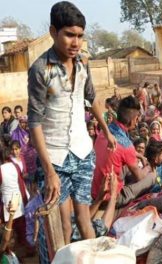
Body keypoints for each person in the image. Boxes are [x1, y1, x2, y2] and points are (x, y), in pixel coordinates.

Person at [27, 3, 116, 261]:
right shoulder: (41, 69)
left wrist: (106, 131)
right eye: (69, 34)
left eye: (80, 35)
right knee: (64, 226)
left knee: (85, 218)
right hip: (55, 156)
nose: (75, 42)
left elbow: (92, 98)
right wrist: (50, 171)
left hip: (82, 151)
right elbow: (34, 123)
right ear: (54, 32)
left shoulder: (83, 62)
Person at [92, 96, 155, 206]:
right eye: (136, 119)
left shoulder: (105, 131)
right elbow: (140, 176)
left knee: (128, 166)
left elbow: (121, 151)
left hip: (94, 190)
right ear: (132, 120)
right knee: (151, 176)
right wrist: (148, 167)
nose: (136, 123)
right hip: (109, 198)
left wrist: (140, 156)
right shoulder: (127, 145)